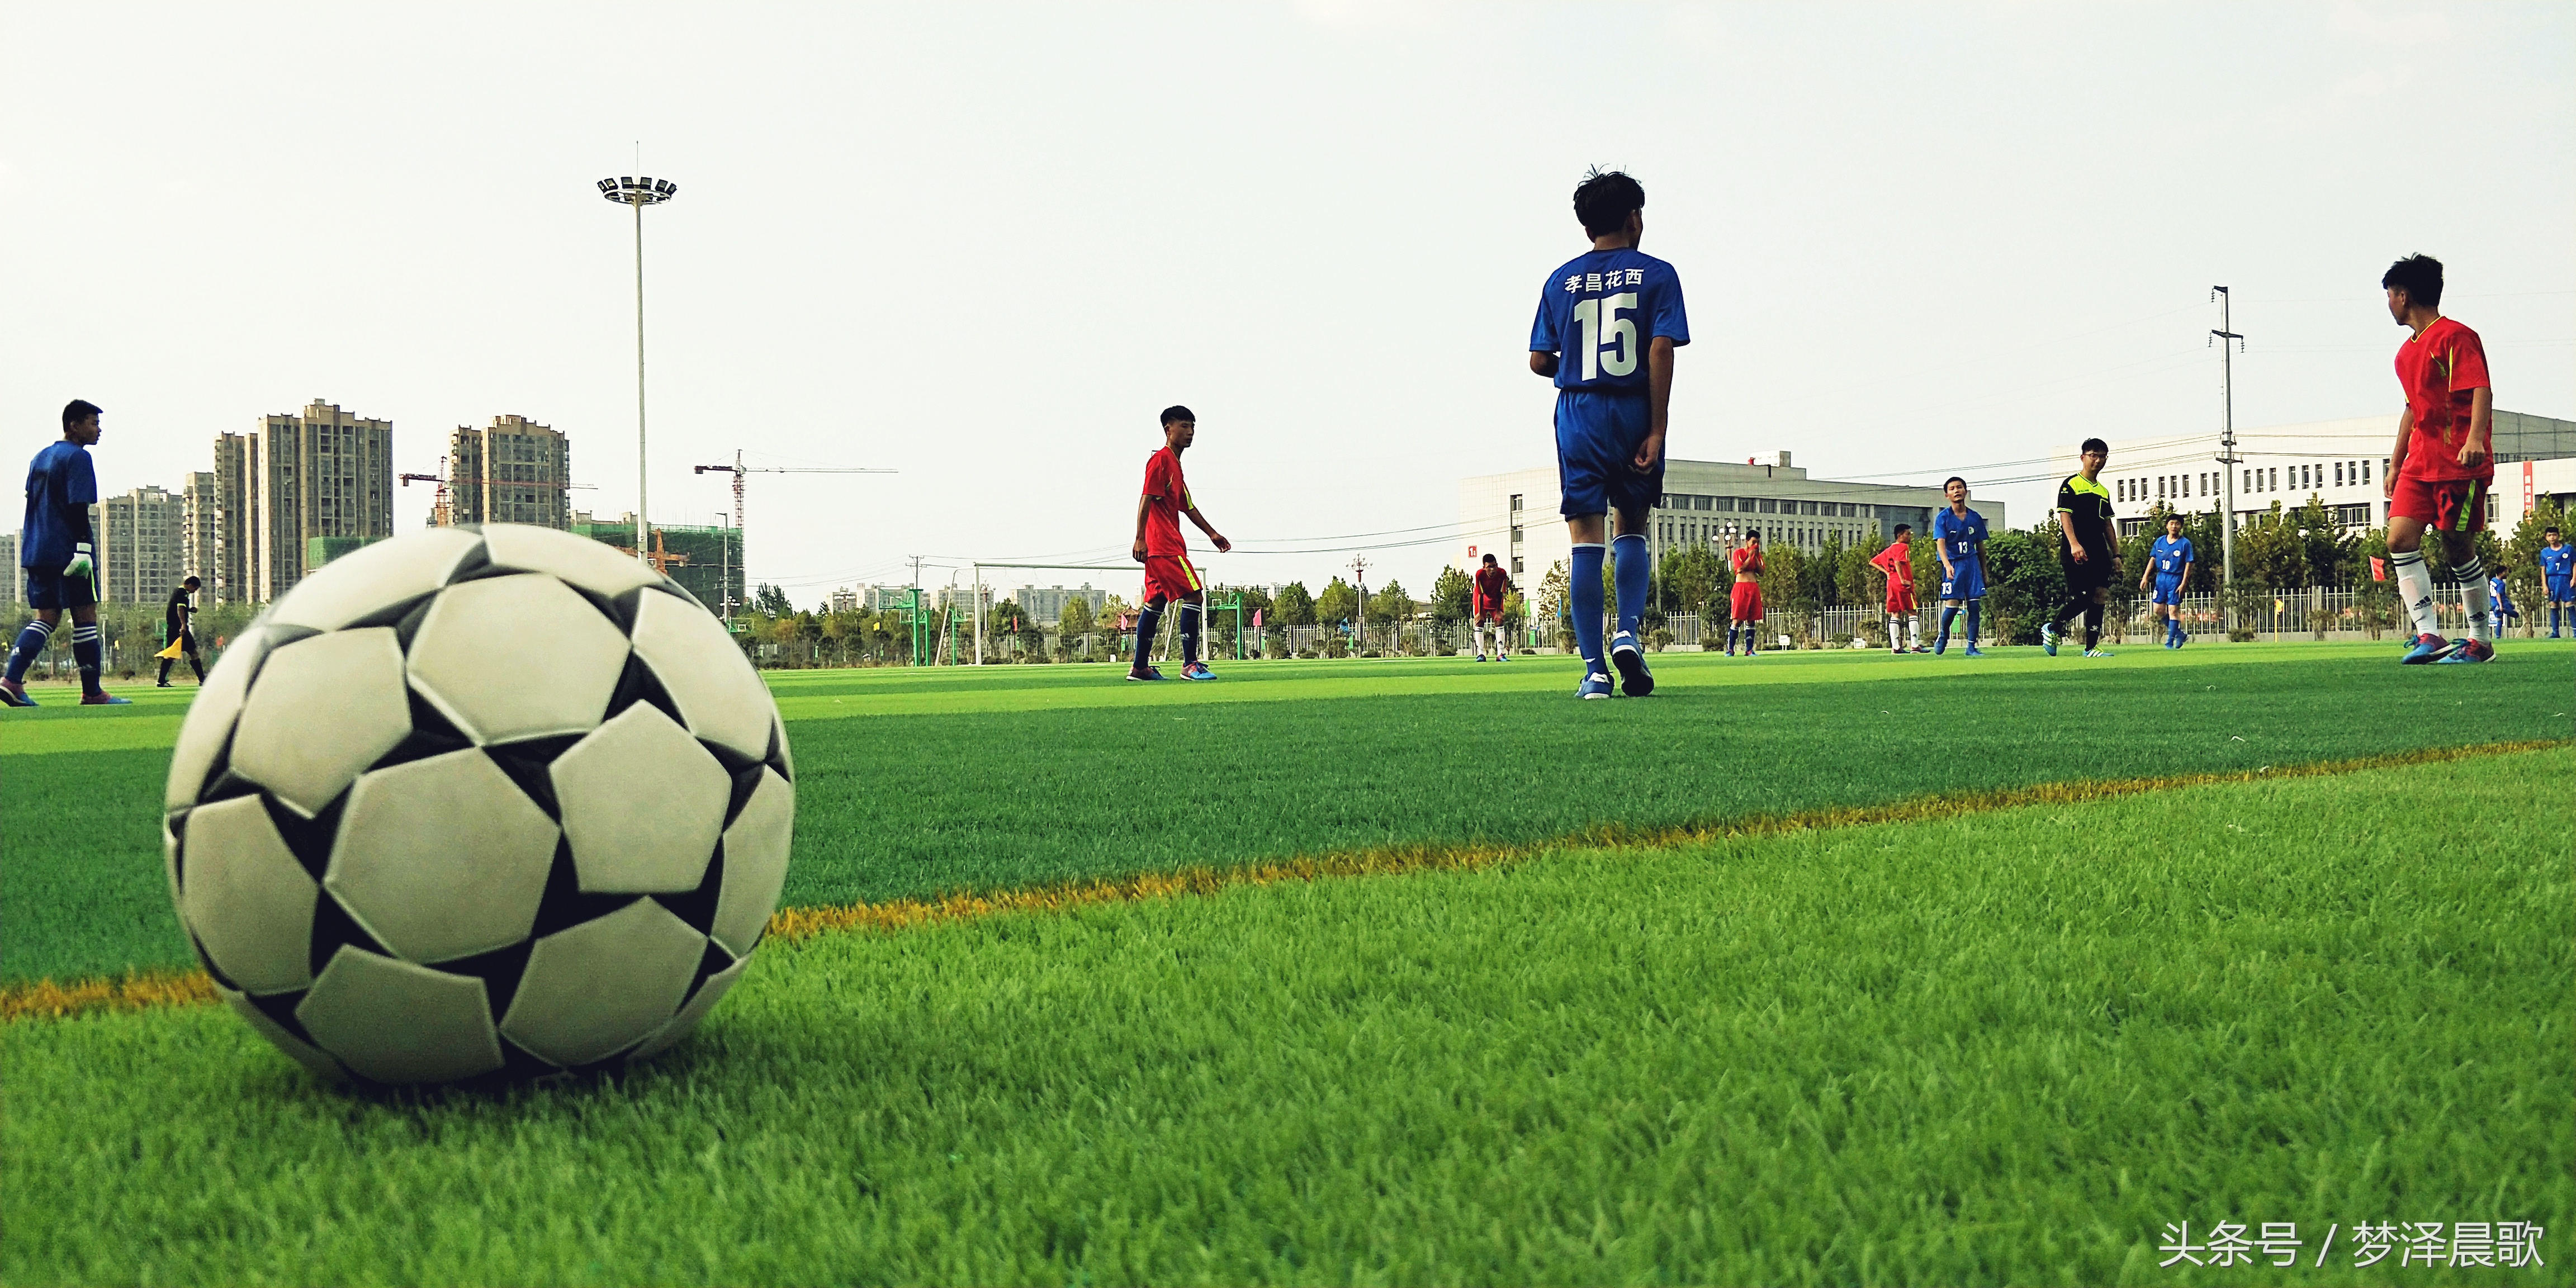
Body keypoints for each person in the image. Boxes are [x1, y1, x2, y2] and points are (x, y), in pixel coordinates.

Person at [1526, 168, 1687, 699]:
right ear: (1633, 218)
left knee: (1585, 542)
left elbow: (1538, 359)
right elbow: (1660, 349)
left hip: (1580, 413)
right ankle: (1629, 632)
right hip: (1634, 409)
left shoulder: (1560, 281)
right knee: (1632, 527)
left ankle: (1594, 670)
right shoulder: (1658, 274)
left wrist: (1575, 365)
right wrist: (1657, 429)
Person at [2378, 254, 2496, 664]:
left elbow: (2480, 387)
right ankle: (2429, 633)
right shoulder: (2404, 355)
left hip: (2459, 463)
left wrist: (2476, 438)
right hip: (2419, 464)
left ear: (2403, 296)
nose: (2389, 303)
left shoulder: (2456, 337)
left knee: (2456, 545)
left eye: (2390, 295)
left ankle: (2480, 640)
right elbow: (2412, 409)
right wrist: (2395, 464)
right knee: (2399, 539)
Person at [1, 400, 126, 707]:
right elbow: (77, 506)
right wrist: (83, 547)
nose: (99, 430)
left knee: (46, 617)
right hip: (68, 550)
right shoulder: (78, 458)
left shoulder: (39, 457)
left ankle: (11, 681)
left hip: (36, 548)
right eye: (93, 423)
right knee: (85, 616)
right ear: (74, 426)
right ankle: (92, 691)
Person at [1128, 405, 1230, 682]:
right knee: (1195, 595)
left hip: (1163, 546)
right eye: (1184, 426)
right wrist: (1140, 538)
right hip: (1163, 546)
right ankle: (1190, 664)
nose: (1190, 433)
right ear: (1168, 429)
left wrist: (1212, 534)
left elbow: (1187, 506)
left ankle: (1139, 668)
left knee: (1156, 601)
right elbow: (1146, 499)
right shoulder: (1160, 461)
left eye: (1192, 427)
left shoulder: (1175, 465)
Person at [2042, 438, 2120, 659]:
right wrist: (2075, 544)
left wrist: (2116, 554)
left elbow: (2107, 524)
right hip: (2075, 550)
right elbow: (2065, 516)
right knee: (2084, 597)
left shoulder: (2103, 491)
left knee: (2101, 594)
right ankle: (2053, 628)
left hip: (2098, 550)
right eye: (2093, 455)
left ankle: (2091, 648)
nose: (2097, 460)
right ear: (2083, 457)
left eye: (2102, 456)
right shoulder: (2071, 485)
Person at [1929, 476, 1989, 657]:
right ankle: (1943, 635)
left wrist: (1984, 571)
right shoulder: (1943, 518)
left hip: (1971, 565)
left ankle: (1971, 647)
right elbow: (1940, 543)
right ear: (1947, 494)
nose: (1957, 491)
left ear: (1965, 491)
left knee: (1975, 607)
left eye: (1960, 487)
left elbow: (1981, 547)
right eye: (1953, 488)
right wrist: (1947, 565)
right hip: (1953, 564)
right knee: (1952, 607)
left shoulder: (1975, 517)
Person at [2139, 513, 2196, 648]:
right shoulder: (2160, 541)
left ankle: (2170, 642)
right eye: (2171, 523)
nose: (2174, 526)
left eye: (2177, 524)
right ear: (2167, 526)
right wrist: (2145, 577)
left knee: (2173, 610)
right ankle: (2180, 635)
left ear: (2181, 526)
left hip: (2175, 578)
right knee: (2158, 610)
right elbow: (2153, 559)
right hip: (2161, 578)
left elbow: (2189, 564)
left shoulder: (2185, 544)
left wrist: (2183, 583)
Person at [1868, 524, 1925, 654]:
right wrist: (1903, 579)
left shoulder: (1889, 550)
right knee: (1912, 611)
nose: (1910, 536)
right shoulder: (1903, 547)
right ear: (1900, 536)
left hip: (1891, 583)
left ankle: (1896, 647)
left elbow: (1873, 562)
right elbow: (1898, 562)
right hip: (1902, 584)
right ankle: (1915, 645)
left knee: (1896, 613)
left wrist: (1887, 573)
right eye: (1908, 534)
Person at [156, 575, 205, 686]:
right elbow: (179, 608)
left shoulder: (178, 591)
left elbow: (179, 607)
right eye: (195, 589)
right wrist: (183, 625)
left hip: (173, 628)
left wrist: (189, 609)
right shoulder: (182, 593)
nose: (195, 591)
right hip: (179, 628)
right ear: (190, 585)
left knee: (171, 654)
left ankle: (161, 681)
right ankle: (202, 679)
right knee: (193, 652)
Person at [1726, 530, 1764, 656]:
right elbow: (1740, 569)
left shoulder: (1758, 556)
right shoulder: (1739, 553)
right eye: (1753, 542)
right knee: (1737, 619)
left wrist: (1756, 558)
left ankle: (1749, 650)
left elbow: (1762, 572)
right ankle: (1731, 649)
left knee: (1751, 620)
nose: (1756, 545)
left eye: (1758, 543)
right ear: (1747, 542)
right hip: (1741, 588)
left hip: (1753, 588)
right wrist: (1750, 556)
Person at [1470, 553, 1512, 661]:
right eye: (1489, 567)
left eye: (1494, 566)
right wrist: (1480, 613)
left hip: (1495, 600)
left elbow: (1501, 593)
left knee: (1499, 621)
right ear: (1484, 568)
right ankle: (1481, 654)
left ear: (1497, 565)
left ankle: (1501, 654)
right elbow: (1480, 594)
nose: (1492, 570)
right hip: (1481, 600)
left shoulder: (1502, 574)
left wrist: (1498, 611)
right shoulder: (1479, 575)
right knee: (1479, 623)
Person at [2538, 526, 2572, 637]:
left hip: (2565, 578)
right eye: (2549, 535)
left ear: (2558, 536)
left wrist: (2574, 578)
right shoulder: (2545, 552)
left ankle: (2575, 632)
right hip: (2552, 580)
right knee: (2553, 604)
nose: (2552, 537)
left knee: (2570, 604)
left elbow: (2575, 564)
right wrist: (2544, 585)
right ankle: (2555, 632)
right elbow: (2543, 570)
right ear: (2546, 538)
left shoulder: (2568, 549)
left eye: (2554, 535)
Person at [2488, 562, 2520, 636]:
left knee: (2500, 619)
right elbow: (2498, 594)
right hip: (2500, 602)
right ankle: (2498, 636)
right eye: (2506, 572)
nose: (2507, 573)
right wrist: (2501, 605)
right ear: (2502, 573)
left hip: (2493, 602)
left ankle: (2497, 635)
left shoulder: (2493, 580)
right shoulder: (2501, 584)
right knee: (2515, 614)